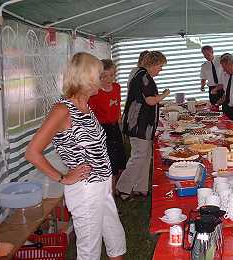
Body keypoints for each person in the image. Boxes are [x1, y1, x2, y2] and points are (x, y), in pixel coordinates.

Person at [25, 52, 126, 260]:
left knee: (116, 240)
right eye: (99, 75)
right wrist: (63, 178)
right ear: (87, 77)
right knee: (89, 251)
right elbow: (32, 152)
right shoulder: (63, 109)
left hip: (103, 184)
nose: (105, 79)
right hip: (86, 189)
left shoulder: (86, 106)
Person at [117, 51, 170, 199]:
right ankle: (123, 188)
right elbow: (150, 100)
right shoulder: (144, 76)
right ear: (152, 65)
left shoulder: (139, 74)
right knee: (139, 156)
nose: (161, 69)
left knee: (145, 156)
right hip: (138, 124)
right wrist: (165, 94)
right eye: (160, 66)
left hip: (141, 124)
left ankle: (141, 188)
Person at [88, 59, 126, 196]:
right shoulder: (95, 93)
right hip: (103, 129)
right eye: (104, 76)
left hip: (115, 127)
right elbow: (90, 115)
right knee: (111, 164)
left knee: (121, 161)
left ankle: (115, 189)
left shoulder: (117, 87)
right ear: (98, 77)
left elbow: (117, 107)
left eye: (111, 75)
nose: (109, 79)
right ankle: (110, 195)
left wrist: (120, 122)